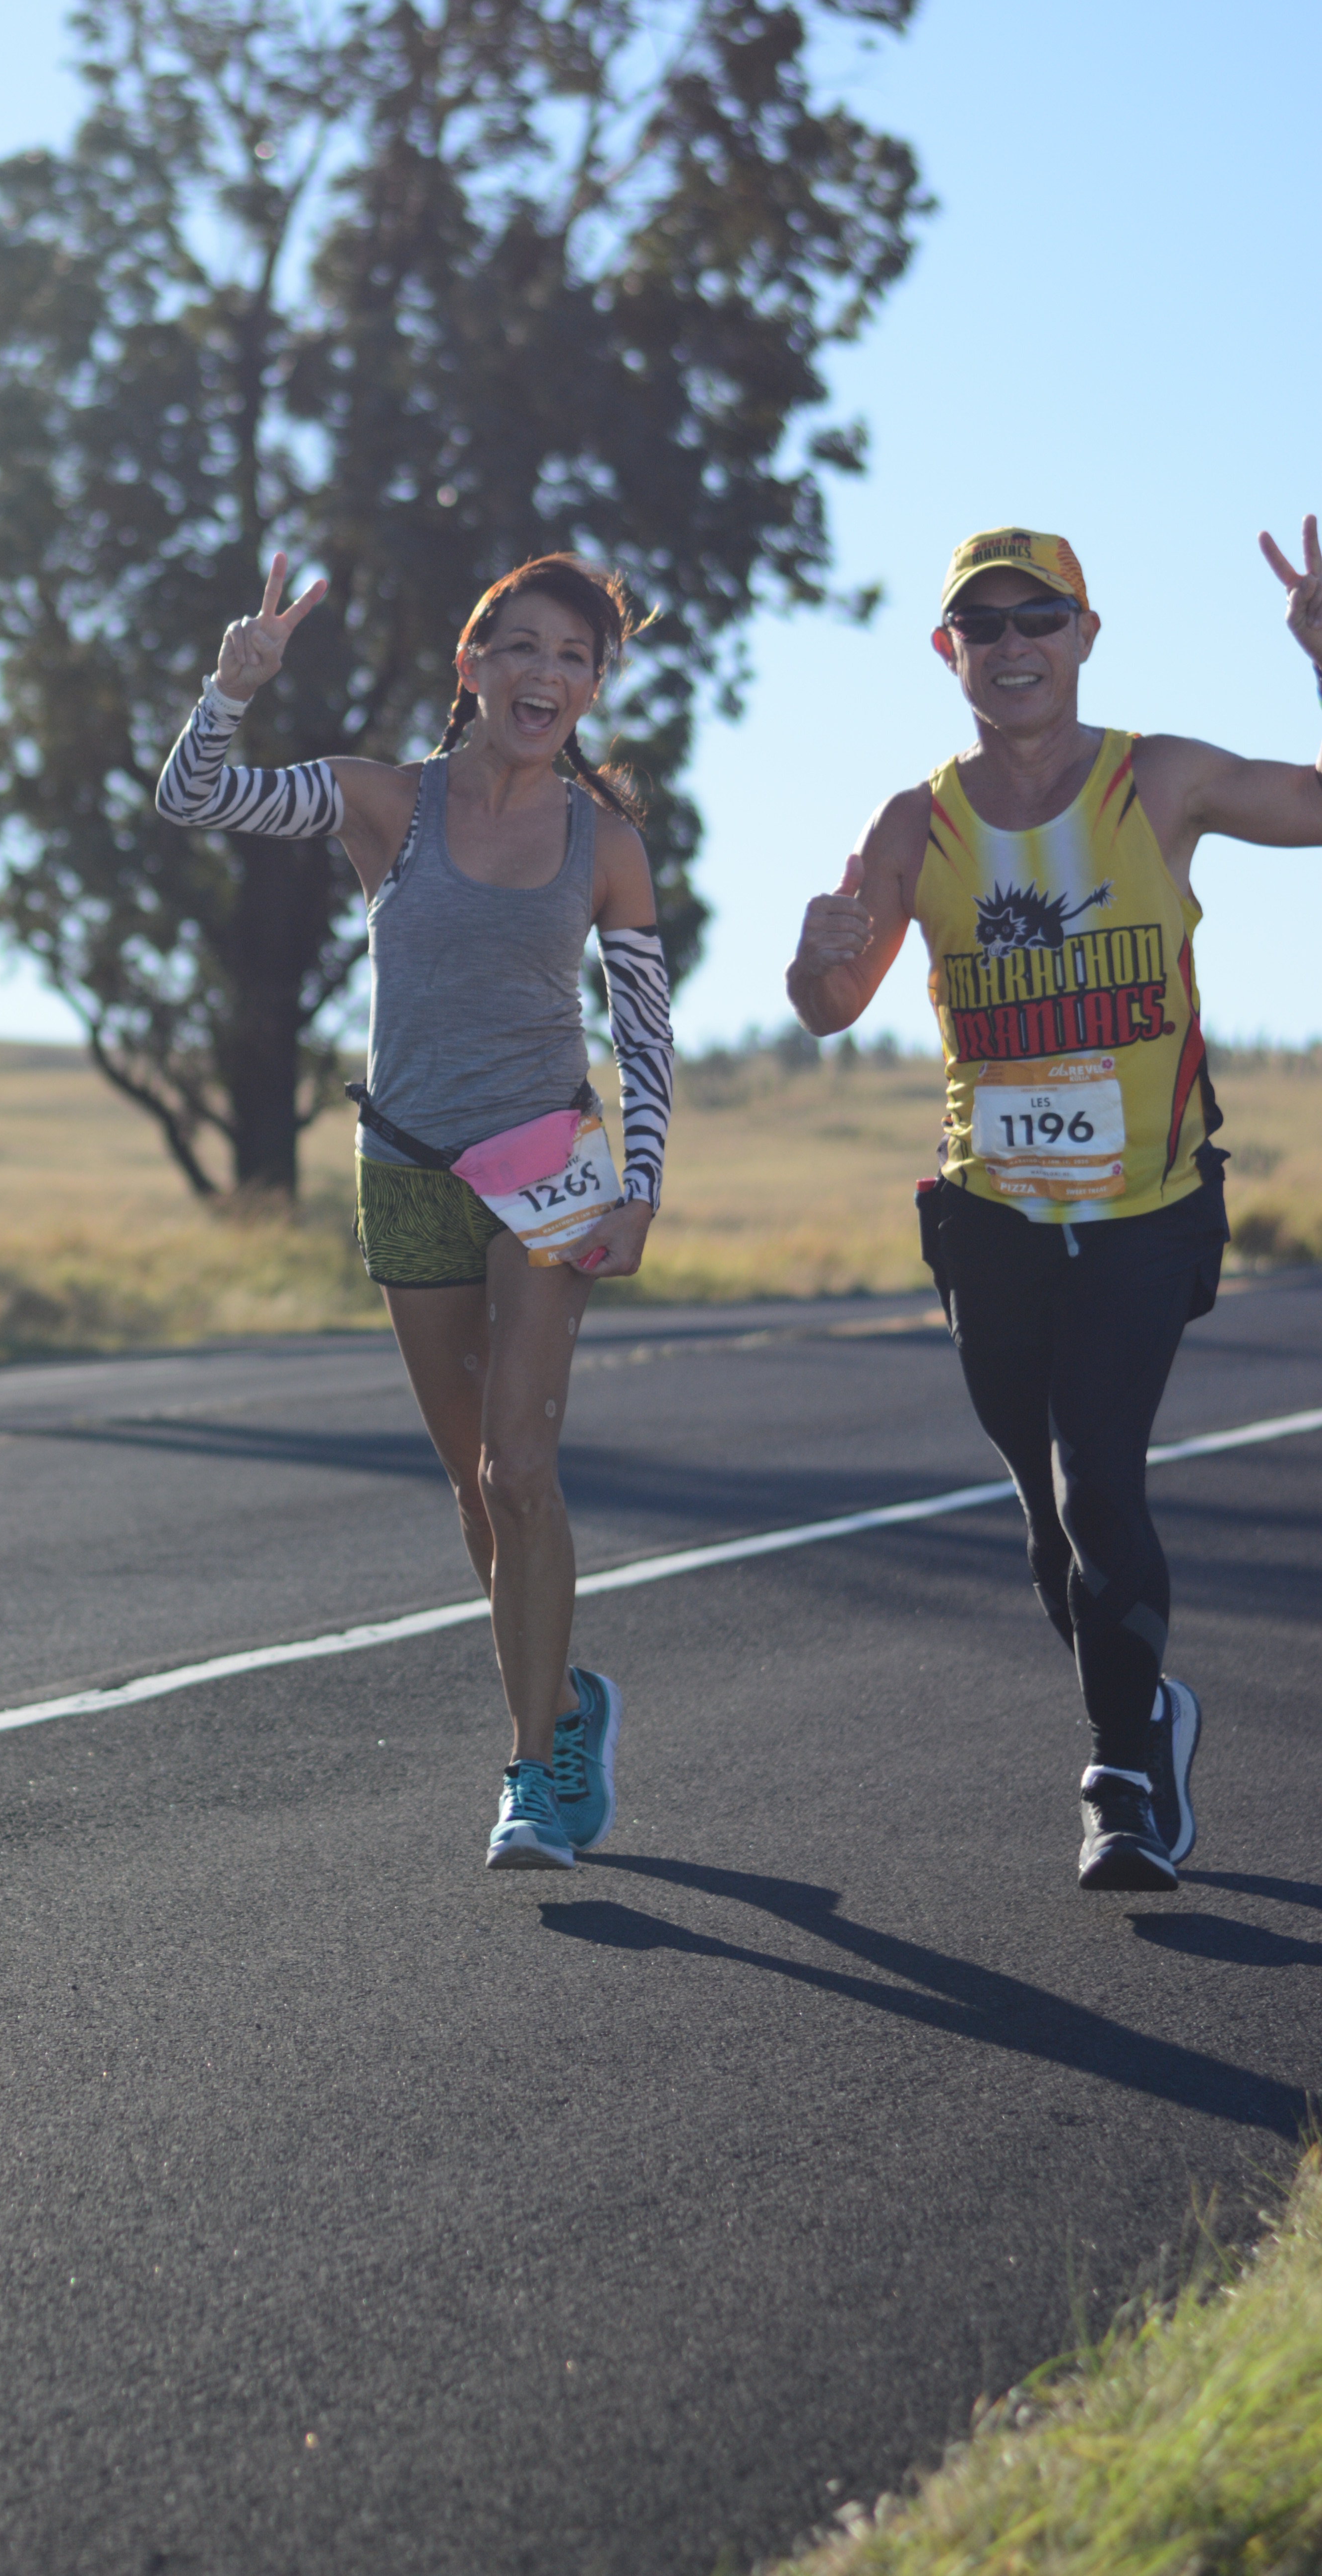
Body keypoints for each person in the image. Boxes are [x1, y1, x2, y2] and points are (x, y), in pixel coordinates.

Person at [786, 516, 1322, 1891]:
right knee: (1046, 1515)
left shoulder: (1163, 781)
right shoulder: (917, 823)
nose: (1014, 645)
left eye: (1040, 619)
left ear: (1087, 636)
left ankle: (1119, 1781)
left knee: (1100, 1479)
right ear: (947, 649)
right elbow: (833, 1004)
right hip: (991, 1218)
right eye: (986, 624)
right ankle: (1147, 1711)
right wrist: (811, 961)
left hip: (1149, 1204)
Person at [158, 552, 675, 1870]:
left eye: (575, 658)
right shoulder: (385, 801)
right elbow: (193, 796)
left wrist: (642, 1190)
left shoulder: (606, 845)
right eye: (524, 647)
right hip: (405, 1168)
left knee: (521, 1470)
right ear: (473, 666)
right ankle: (569, 1701)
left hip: (546, 1173)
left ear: (592, 689)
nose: (547, 674)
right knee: (473, 1491)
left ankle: (531, 1774)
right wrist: (232, 689)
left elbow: (644, 1032)